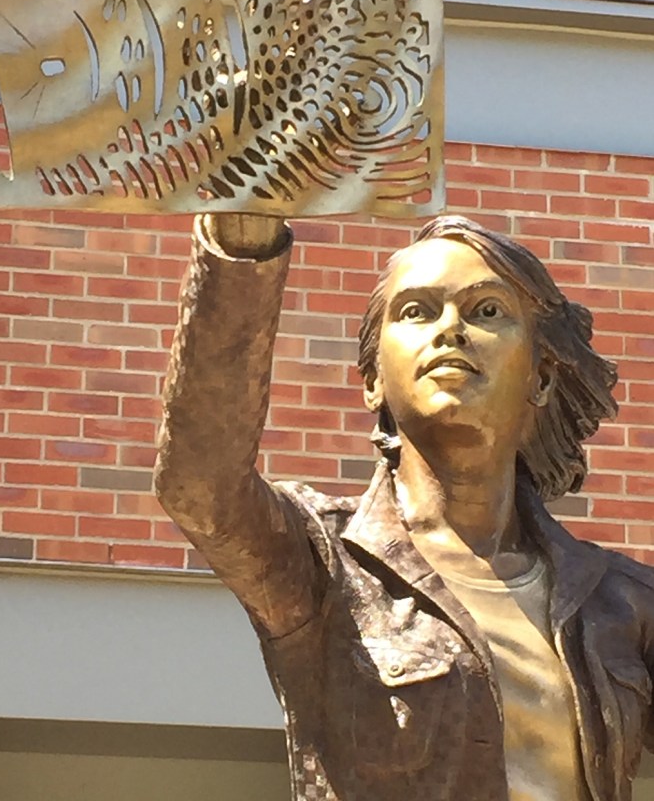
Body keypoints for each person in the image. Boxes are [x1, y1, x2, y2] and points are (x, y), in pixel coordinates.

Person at [154, 212, 654, 801]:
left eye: (486, 311)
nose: (451, 330)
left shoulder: (623, 599)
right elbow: (201, 484)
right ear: (374, 382)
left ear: (542, 376)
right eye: (416, 311)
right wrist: (243, 245)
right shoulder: (323, 560)